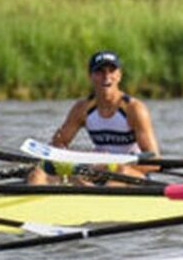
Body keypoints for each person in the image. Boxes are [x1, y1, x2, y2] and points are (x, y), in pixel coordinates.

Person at [28, 51, 159, 184]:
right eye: (100, 72)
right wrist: (69, 162)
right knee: (38, 174)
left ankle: (94, 193)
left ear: (119, 75)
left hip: (129, 174)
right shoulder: (82, 109)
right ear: (91, 76)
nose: (106, 77)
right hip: (97, 171)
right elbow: (58, 143)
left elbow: (154, 162)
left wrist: (112, 166)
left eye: (111, 71)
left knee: (119, 175)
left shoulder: (134, 109)